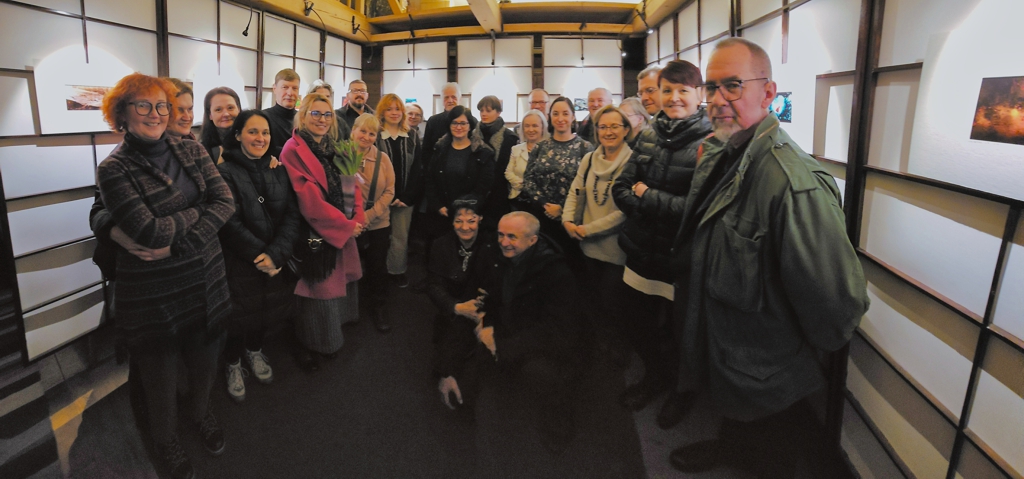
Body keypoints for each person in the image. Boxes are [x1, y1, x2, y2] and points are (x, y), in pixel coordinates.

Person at [668, 38, 869, 477]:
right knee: (740, 426)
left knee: (771, 455)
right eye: (711, 87)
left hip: (767, 363)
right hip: (729, 347)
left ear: (768, 92)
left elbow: (835, 306)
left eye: (733, 85)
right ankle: (730, 448)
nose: (718, 99)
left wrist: (788, 353)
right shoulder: (724, 151)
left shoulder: (792, 183)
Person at [96, 73, 235, 479]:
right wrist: (200, 210)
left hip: (206, 278)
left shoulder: (190, 147)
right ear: (122, 113)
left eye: (161, 105)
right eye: (142, 105)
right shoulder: (114, 168)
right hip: (154, 291)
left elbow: (225, 201)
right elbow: (148, 232)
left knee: (205, 362)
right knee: (160, 375)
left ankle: (202, 413)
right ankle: (165, 438)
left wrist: (179, 241)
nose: (155, 113)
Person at [611, 59, 712, 428]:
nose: (674, 98)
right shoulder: (650, 135)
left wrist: (647, 195)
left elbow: (695, 210)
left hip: (680, 257)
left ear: (700, 94)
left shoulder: (711, 142)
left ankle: (681, 392)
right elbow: (621, 187)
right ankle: (655, 376)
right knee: (635, 321)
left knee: (681, 333)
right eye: (667, 90)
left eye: (683, 90)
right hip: (642, 250)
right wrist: (645, 199)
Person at [435, 211, 583, 453]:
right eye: (501, 235)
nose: (504, 242)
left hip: (539, 344)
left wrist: (500, 347)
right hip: (502, 330)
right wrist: (448, 369)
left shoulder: (557, 274)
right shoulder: (492, 256)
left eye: (512, 237)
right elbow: (471, 306)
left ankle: (559, 418)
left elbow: (560, 331)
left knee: (540, 373)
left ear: (532, 240)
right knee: (460, 394)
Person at [217, 110, 301, 402]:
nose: (260, 138)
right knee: (237, 316)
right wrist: (261, 255)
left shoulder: (278, 169)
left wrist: (277, 255)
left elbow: (292, 215)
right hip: (240, 262)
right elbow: (228, 222)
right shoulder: (224, 172)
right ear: (238, 135)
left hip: (273, 262)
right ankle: (232, 363)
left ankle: (254, 351)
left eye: (265, 132)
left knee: (264, 312)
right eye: (252, 131)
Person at [280, 93, 366, 372]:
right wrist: (346, 226)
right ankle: (318, 342)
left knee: (336, 289)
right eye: (315, 113)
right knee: (319, 292)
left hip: (342, 227)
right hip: (315, 233)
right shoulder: (292, 150)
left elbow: (352, 184)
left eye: (327, 114)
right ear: (303, 116)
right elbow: (309, 202)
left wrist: (358, 217)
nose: (322, 119)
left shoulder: (335, 146)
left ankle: (335, 333)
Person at [561, 105, 633, 368]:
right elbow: (575, 190)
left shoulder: (633, 161)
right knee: (593, 303)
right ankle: (600, 350)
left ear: (626, 129)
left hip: (617, 250)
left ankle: (618, 355)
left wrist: (587, 230)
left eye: (615, 126)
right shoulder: (590, 159)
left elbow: (624, 211)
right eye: (603, 127)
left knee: (614, 306)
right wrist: (566, 219)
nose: (608, 132)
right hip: (587, 247)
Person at [520, 96, 594, 265]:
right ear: (550, 117)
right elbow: (528, 179)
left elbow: (588, 185)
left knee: (571, 265)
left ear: (573, 117)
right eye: (556, 114)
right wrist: (545, 204)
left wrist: (563, 209)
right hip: (541, 216)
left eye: (565, 114)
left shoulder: (585, 148)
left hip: (571, 220)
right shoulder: (540, 147)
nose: (560, 118)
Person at [424, 195, 500, 344]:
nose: (465, 227)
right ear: (452, 222)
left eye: (471, 221)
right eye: (459, 221)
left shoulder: (493, 245)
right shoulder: (440, 245)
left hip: (486, 310)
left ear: (480, 219)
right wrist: (456, 307)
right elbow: (433, 285)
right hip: (454, 308)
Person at [422, 105, 495, 244]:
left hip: (469, 216)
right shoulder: (439, 150)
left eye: (463, 123)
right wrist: (438, 206)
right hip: (441, 213)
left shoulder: (482, 152)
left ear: (470, 125)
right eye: (454, 123)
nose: (458, 127)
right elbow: (430, 179)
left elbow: (484, 186)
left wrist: (463, 209)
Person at [351, 113, 396, 332]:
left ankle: (379, 306)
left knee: (377, 267)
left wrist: (368, 216)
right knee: (350, 267)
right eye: (363, 131)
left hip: (378, 223)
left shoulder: (383, 159)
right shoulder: (341, 156)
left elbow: (390, 192)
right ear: (353, 131)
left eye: (372, 134)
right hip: (350, 225)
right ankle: (350, 309)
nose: (367, 137)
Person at [375, 94, 422, 289]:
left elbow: (417, 168)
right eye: (389, 109)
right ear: (382, 112)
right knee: (379, 239)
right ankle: (379, 274)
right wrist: (387, 196)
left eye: (397, 109)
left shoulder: (412, 135)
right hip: (379, 198)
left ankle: (397, 271)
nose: (394, 113)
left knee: (400, 238)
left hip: (404, 198)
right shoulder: (376, 135)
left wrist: (407, 196)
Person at [474, 95, 519, 230]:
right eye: (481, 110)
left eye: (488, 110)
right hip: (477, 191)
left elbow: (508, 168)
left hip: (499, 194)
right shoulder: (474, 135)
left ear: (498, 112)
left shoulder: (510, 137)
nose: (484, 114)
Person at [506, 109, 548, 210]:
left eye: (535, 126)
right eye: (527, 126)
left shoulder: (549, 150)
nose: (530, 129)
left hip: (543, 202)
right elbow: (508, 173)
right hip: (518, 199)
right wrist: (525, 185)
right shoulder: (516, 149)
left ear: (542, 128)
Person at [422, 82, 462, 167]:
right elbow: (426, 151)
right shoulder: (433, 121)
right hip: (437, 168)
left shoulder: (470, 120)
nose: (450, 100)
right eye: (446, 97)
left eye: (454, 97)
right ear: (442, 100)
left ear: (460, 99)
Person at [263, 68, 300, 158]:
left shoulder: (303, 120)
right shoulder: (263, 118)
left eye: (294, 88)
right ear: (274, 89)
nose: (290, 93)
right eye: (285, 87)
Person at [199, 87, 240, 163]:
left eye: (230, 108)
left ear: (239, 109)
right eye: (218, 110)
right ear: (210, 115)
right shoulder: (202, 150)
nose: (226, 114)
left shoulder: (250, 142)